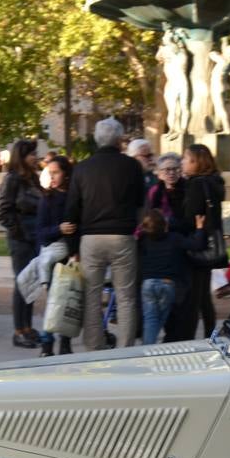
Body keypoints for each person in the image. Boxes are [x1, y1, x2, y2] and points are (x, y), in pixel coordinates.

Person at [63, 117, 145, 350]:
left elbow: (71, 209)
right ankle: (124, 347)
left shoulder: (82, 168)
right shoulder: (132, 166)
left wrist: (72, 247)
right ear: (119, 139)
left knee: (91, 296)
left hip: (90, 239)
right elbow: (141, 202)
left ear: (96, 139)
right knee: (126, 297)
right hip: (122, 236)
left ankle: (94, 347)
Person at [166, 144, 225, 341]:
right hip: (209, 245)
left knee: (192, 299)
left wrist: (169, 223)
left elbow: (191, 219)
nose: (181, 162)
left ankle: (189, 339)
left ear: (196, 162)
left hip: (197, 245)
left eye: (185, 159)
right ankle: (210, 335)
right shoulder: (213, 182)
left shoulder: (196, 185)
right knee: (203, 298)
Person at [0, 139, 43, 348]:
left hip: (34, 238)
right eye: (32, 154)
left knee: (31, 283)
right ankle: (19, 330)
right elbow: (2, 212)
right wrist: (19, 233)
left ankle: (28, 327)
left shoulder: (32, 179)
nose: (36, 157)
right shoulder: (12, 180)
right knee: (21, 283)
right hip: (22, 239)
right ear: (21, 157)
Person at [137, 209, 206, 344]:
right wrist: (199, 228)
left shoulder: (144, 241)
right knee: (158, 320)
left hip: (148, 284)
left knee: (151, 319)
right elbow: (197, 245)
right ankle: (147, 347)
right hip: (167, 284)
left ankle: (147, 345)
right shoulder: (174, 238)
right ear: (165, 226)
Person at [35, 154, 75, 356]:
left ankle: (65, 343)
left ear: (66, 174)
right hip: (53, 259)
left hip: (71, 259)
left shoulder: (75, 197)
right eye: (50, 173)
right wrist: (59, 229)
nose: (52, 176)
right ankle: (46, 344)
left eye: (56, 172)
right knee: (53, 304)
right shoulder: (47, 199)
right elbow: (41, 233)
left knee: (68, 303)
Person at [145, 152, 186, 226]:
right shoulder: (154, 191)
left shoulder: (188, 188)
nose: (172, 173)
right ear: (159, 173)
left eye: (175, 169)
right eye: (167, 169)